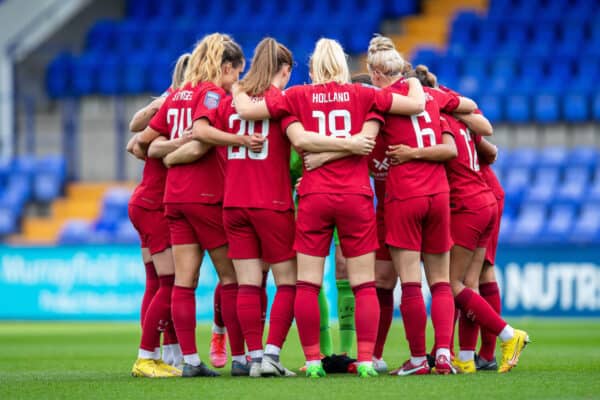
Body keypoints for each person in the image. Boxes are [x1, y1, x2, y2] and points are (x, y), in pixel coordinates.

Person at [233, 37, 426, 378]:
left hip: (313, 195)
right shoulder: (365, 94)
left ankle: (310, 361)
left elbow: (251, 112)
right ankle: (365, 360)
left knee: (307, 283)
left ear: (312, 68)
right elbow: (415, 105)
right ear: (343, 64)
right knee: (364, 284)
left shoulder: (296, 96)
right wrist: (411, 80)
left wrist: (236, 89)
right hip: (355, 196)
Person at [136, 33, 247, 378]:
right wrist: (238, 138)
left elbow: (142, 143)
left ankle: (190, 361)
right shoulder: (211, 93)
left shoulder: (177, 95)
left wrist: (170, 154)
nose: (237, 81)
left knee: (183, 282)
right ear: (226, 67)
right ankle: (241, 358)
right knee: (231, 278)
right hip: (205, 196)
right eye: (237, 73)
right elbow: (202, 133)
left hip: (174, 198)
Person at [365, 36, 461, 376]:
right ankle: (445, 355)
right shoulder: (431, 98)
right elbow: (457, 133)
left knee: (409, 283)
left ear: (377, 73)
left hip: (405, 194)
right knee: (441, 282)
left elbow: (365, 141)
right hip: (439, 193)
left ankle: (419, 359)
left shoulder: (380, 100)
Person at [127, 53, 189, 378]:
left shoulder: (173, 103)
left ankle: (167, 353)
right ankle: (147, 356)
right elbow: (138, 143)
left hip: (146, 200)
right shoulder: (177, 105)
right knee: (172, 282)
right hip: (155, 204)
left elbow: (136, 144)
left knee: (157, 281)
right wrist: (182, 141)